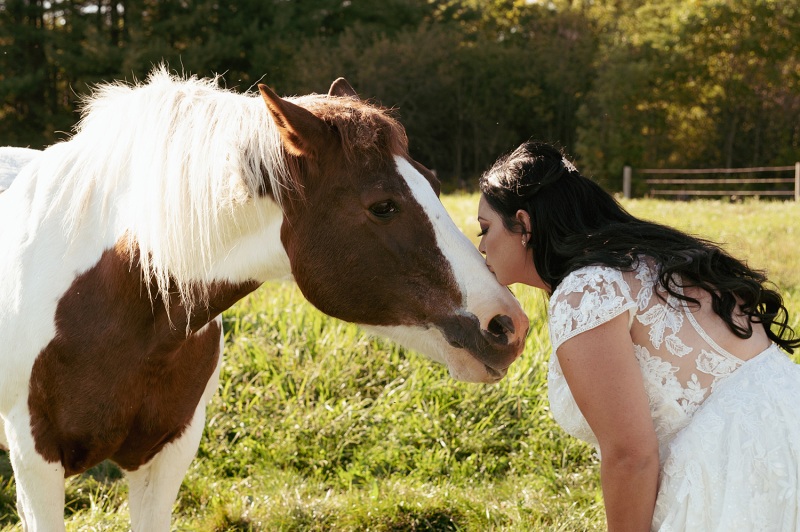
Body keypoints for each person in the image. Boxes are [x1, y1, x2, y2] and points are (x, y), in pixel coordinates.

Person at [476, 140, 800, 531]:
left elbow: (631, 455)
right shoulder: (647, 258)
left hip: (736, 474)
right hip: (784, 431)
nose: (480, 247)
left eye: (485, 228)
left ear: (524, 226)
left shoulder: (586, 292)